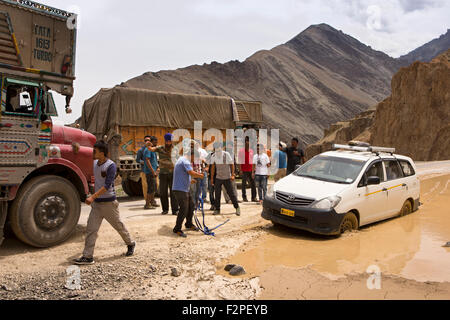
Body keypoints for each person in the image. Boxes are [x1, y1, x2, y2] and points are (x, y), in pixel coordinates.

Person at [74, 141, 135, 265]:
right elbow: (82, 160)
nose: (92, 153)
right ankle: (88, 256)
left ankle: (130, 243)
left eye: (95, 151)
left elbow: (107, 186)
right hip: (97, 205)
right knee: (91, 230)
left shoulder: (110, 166)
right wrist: (76, 150)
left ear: (102, 153)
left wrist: (92, 197)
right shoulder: (95, 163)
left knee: (119, 226)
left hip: (109, 204)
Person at [172, 149, 205, 238]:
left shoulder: (182, 160)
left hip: (183, 189)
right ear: (192, 155)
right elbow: (190, 172)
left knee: (191, 205)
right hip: (180, 189)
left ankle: (189, 223)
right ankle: (177, 228)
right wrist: (200, 175)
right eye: (195, 158)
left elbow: (183, 174)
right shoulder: (185, 161)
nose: (195, 160)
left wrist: (190, 180)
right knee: (184, 208)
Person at [148, 133, 179, 215]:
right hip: (163, 173)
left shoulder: (175, 149)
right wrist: (148, 145)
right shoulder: (160, 148)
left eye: (170, 141)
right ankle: (165, 209)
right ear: (165, 141)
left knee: (173, 192)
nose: (169, 142)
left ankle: (175, 210)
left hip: (173, 173)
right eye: (168, 141)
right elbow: (151, 149)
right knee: (163, 192)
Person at [210, 142, 241, 216]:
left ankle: (237, 207)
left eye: (219, 149)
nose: (218, 151)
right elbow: (213, 168)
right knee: (217, 194)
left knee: (231, 194)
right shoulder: (213, 156)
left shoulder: (226, 154)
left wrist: (232, 174)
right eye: (216, 150)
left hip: (227, 177)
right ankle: (217, 209)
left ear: (222, 148)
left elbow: (232, 164)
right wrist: (212, 179)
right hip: (218, 178)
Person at [238, 136, 257, 202]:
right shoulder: (241, 151)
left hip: (250, 170)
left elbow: (253, 161)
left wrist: (253, 171)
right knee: (243, 184)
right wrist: (240, 170)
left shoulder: (252, 151)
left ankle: (253, 197)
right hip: (244, 170)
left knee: (253, 184)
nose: (247, 143)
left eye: (248, 142)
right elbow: (240, 161)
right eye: (246, 141)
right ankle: (244, 197)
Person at [143, 137, 159, 210]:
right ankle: (147, 204)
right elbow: (147, 161)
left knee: (154, 187)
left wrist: (157, 168)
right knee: (151, 188)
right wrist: (153, 171)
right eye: (154, 142)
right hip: (150, 172)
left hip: (154, 172)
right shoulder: (148, 150)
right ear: (151, 142)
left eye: (156, 141)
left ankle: (152, 202)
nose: (156, 143)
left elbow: (154, 160)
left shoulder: (153, 150)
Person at [136, 136, 152, 202]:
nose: (147, 141)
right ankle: (147, 201)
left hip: (152, 170)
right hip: (144, 170)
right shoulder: (140, 150)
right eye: (146, 140)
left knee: (154, 185)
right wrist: (143, 162)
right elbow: (137, 160)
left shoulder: (152, 149)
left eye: (148, 140)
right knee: (145, 186)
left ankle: (152, 200)